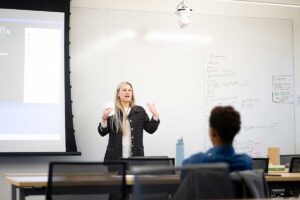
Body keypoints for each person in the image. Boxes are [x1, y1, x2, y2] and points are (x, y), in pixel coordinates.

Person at [98, 81, 160, 162]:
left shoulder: (139, 111)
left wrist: (155, 115)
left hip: (136, 157)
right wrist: (104, 118)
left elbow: (151, 129)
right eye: (124, 90)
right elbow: (102, 132)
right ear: (118, 94)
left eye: (130, 90)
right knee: (114, 175)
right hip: (114, 157)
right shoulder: (112, 110)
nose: (127, 92)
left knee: (135, 174)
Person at [183, 106, 252, 171]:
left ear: (213, 133)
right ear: (236, 131)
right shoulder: (245, 163)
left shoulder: (196, 162)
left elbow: (183, 168)